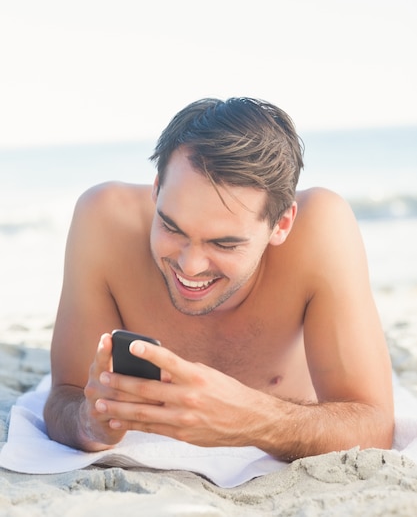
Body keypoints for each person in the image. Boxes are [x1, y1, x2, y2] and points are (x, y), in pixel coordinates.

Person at [44, 97, 394, 461]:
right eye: (170, 226)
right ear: (157, 188)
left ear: (282, 224)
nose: (190, 266)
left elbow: (374, 424)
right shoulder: (103, 220)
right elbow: (65, 395)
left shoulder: (322, 229)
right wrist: (89, 422)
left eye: (224, 243)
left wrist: (253, 420)